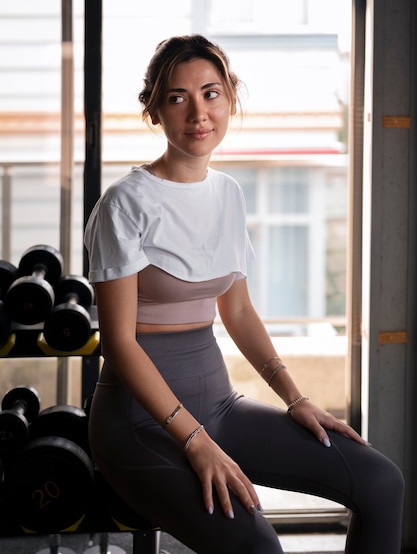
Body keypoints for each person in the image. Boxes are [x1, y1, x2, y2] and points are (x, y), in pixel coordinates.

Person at [84, 34, 404, 554]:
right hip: (139, 423)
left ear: (230, 98)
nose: (198, 113)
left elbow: (238, 310)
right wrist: (194, 441)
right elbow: (119, 342)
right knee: (258, 546)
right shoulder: (125, 204)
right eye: (177, 97)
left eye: (211, 93)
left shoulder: (228, 193)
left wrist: (295, 399)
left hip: (219, 404)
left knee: (382, 483)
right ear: (154, 111)